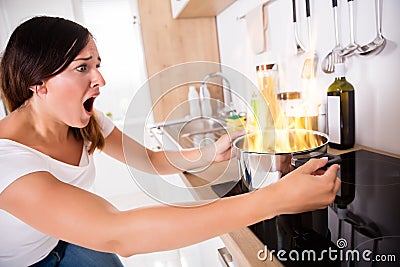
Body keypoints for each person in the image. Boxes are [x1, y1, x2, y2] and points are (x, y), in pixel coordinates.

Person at [0, 16, 341, 266]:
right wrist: (276, 198)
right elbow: (119, 233)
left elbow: (151, 160)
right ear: (38, 83)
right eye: (82, 68)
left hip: (66, 240)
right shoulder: (7, 162)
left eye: (98, 65)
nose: (100, 79)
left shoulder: (85, 123)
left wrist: (209, 152)